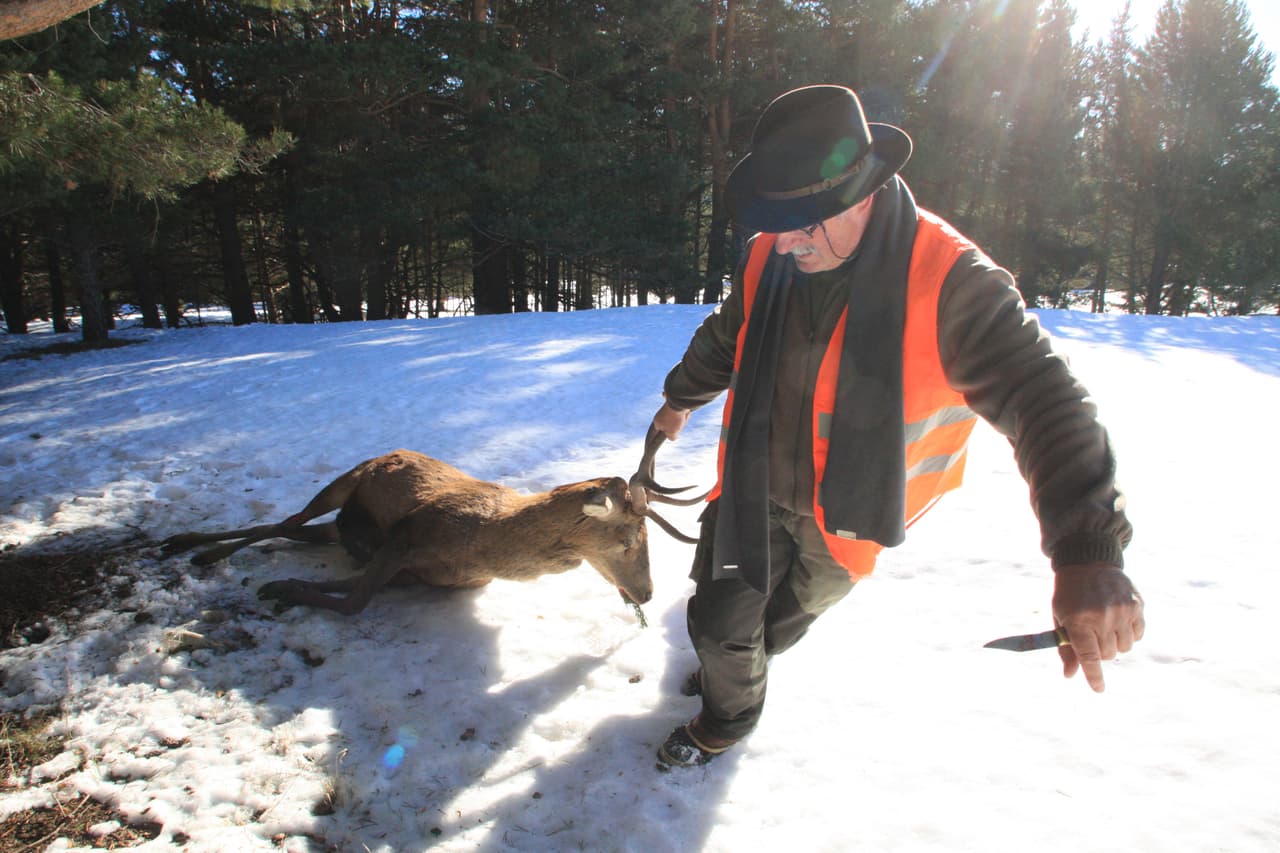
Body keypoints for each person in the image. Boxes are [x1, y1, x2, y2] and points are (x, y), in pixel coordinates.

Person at [650, 84, 1145, 768]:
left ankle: (733, 668)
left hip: (847, 517)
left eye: (804, 219)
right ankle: (727, 715)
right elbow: (728, 334)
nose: (785, 238)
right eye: (777, 218)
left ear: (861, 191)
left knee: (777, 623)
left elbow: (1044, 396)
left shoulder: (951, 279)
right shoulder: (775, 252)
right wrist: (680, 397)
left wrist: (1087, 548)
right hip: (752, 484)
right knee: (718, 616)